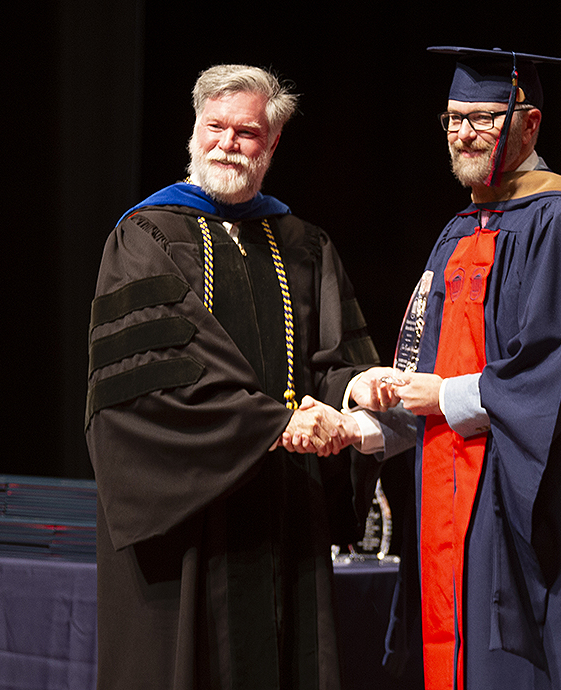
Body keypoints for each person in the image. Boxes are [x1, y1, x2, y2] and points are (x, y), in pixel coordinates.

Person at [85, 64, 400, 690]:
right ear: (194, 130)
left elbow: (330, 359)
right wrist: (279, 423)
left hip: (285, 507)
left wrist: (353, 391)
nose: (227, 143)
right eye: (215, 127)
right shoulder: (146, 236)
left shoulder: (303, 243)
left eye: (247, 132)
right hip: (188, 512)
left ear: (273, 142)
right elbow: (156, 378)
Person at [355, 46, 561, 690]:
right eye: (453, 118)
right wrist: (374, 414)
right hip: (446, 479)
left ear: (529, 122)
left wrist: (445, 393)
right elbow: (421, 355)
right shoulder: (459, 228)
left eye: (482, 117)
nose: (464, 134)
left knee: (508, 662)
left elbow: (560, 367)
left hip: (522, 491)